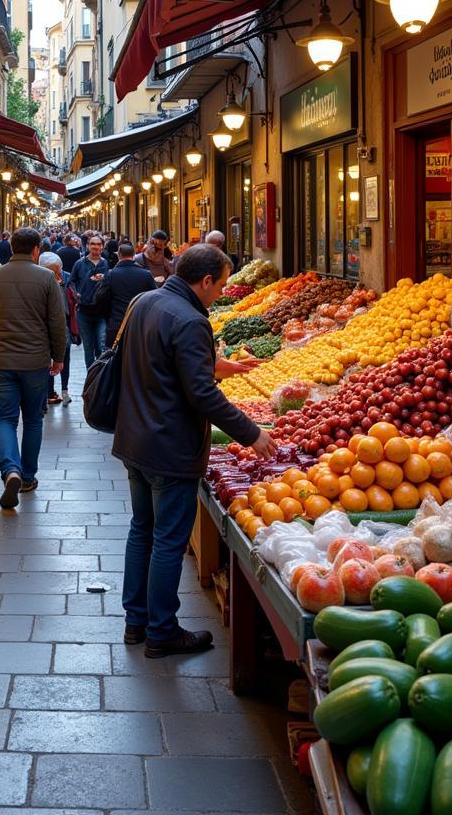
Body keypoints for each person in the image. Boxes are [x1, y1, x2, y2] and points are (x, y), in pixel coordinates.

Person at [113, 245, 276, 658]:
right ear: (204, 281)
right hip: (170, 444)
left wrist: (219, 366)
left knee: (142, 530)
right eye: (220, 285)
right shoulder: (191, 320)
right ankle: (162, 631)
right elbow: (201, 393)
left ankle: (136, 622)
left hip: (134, 437)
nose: (221, 292)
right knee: (168, 539)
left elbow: (158, 361)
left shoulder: (145, 302)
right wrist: (250, 432)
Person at [0, 228, 67, 509]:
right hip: (35, 361)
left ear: (11, 246)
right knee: (33, 419)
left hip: (2, 359)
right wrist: (58, 356)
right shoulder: (46, 278)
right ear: (36, 249)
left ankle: (10, 470)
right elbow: (57, 322)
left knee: (4, 419)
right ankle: (27, 477)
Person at [94, 241, 158, 347]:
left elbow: (100, 298)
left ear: (119, 255)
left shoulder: (111, 274)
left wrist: (109, 316)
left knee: (116, 358)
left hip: (117, 323)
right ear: (133, 256)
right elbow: (155, 298)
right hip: (140, 324)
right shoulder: (146, 274)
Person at [68, 234, 109, 367]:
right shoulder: (80, 264)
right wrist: (77, 295)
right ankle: (91, 378)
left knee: (101, 347)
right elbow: (71, 282)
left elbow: (112, 282)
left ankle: (100, 377)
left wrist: (105, 279)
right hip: (84, 312)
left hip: (102, 311)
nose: (95, 247)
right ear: (88, 246)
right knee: (88, 347)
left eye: (98, 244)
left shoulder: (106, 263)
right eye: (92, 244)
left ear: (102, 247)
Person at [39, 251, 73, 405]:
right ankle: (48, 392)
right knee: (48, 361)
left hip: (61, 327)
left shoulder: (65, 277)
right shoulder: (39, 281)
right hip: (45, 331)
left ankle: (63, 390)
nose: (55, 273)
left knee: (64, 358)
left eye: (56, 270)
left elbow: (67, 307)